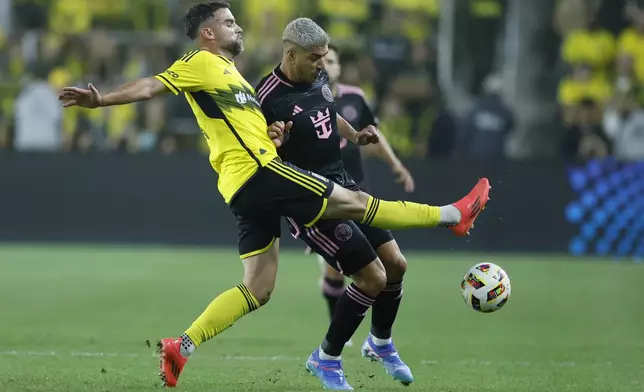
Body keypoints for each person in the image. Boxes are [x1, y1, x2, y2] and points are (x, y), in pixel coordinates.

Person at [57, 2, 490, 388]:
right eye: (228, 22)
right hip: (261, 175)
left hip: (246, 186)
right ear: (208, 33)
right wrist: (103, 101)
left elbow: (246, 127)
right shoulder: (198, 62)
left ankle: (181, 346)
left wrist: (274, 133)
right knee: (354, 202)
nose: (238, 27)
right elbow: (151, 86)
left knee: (258, 288)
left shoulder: (234, 77)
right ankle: (452, 215)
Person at [257, 27, 417, 390]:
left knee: (395, 264)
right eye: (315, 57)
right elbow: (259, 154)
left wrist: (355, 135)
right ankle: (326, 358)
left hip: (346, 187)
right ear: (290, 53)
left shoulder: (320, 77)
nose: (322, 64)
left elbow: (327, 115)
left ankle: (379, 343)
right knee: (372, 276)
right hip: (312, 204)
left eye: (326, 56)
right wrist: (274, 142)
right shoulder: (266, 96)